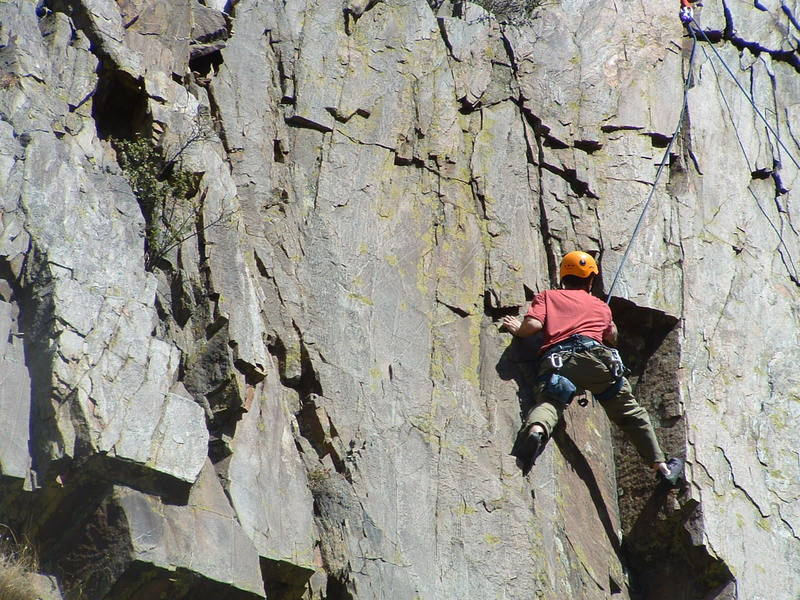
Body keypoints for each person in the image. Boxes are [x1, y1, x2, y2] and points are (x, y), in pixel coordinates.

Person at [502, 250, 682, 484]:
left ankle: (537, 429)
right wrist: (606, 320)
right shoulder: (601, 307)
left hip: (562, 361)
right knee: (630, 413)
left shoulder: (548, 297)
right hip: (601, 364)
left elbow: (534, 324)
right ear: (591, 280)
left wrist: (517, 329)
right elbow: (613, 338)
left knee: (551, 401)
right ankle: (662, 468)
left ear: (563, 277)